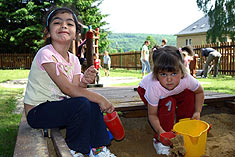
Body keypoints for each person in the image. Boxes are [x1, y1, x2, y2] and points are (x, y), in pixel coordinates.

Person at [23, 7, 116, 157]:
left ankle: (98, 149)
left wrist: (84, 81)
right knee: (87, 102)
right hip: (38, 112)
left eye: (69, 23)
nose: (64, 26)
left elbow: (76, 90)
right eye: (57, 22)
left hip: (60, 110)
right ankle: (75, 149)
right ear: (47, 32)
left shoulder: (74, 60)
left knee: (89, 103)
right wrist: (101, 98)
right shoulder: (46, 54)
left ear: (76, 34)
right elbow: (68, 89)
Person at [137, 46, 204, 155]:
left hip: (172, 91)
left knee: (189, 94)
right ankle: (161, 140)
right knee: (168, 103)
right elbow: (152, 114)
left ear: (182, 72)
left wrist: (197, 112)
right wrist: (159, 131)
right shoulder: (154, 86)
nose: (169, 79)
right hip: (146, 91)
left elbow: (199, 92)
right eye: (163, 74)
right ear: (156, 74)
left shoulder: (187, 79)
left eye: (174, 73)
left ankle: (183, 128)